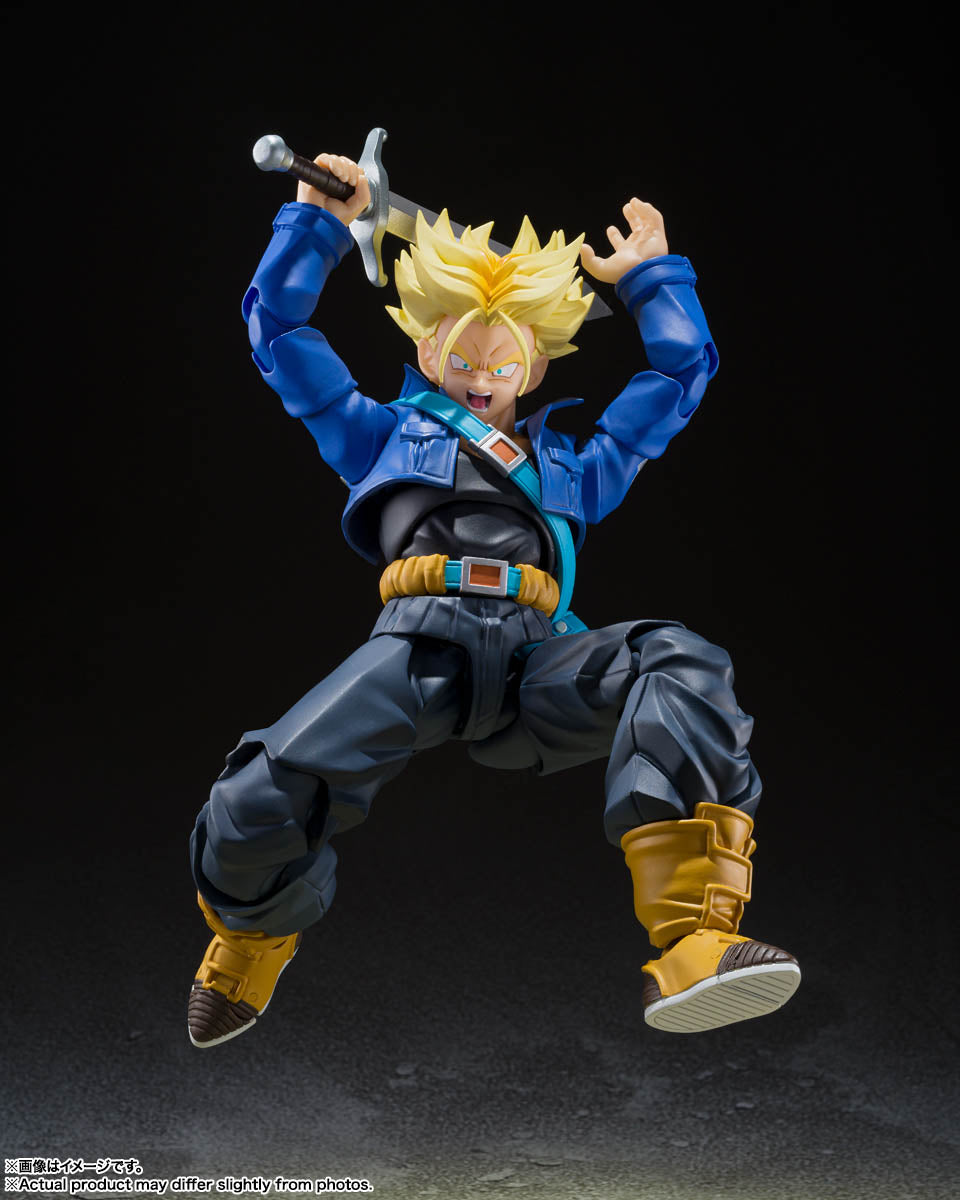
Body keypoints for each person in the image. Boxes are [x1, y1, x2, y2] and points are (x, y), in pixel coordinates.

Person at [187, 152, 800, 1048]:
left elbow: (678, 381)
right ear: (426, 351)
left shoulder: (570, 470)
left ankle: (695, 941)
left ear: (534, 368)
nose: (482, 376)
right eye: (463, 357)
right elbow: (278, 330)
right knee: (256, 795)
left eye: (503, 361)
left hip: (534, 665)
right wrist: (316, 226)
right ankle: (251, 939)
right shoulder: (382, 437)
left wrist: (654, 280)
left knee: (679, 661)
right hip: (418, 651)